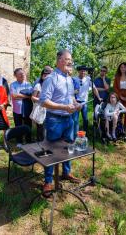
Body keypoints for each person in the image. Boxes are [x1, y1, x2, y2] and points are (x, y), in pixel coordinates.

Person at [39, 49, 81, 195]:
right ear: (59, 60)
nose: (71, 62)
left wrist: (76, 104)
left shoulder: (69, 78)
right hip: (54, 120)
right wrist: (64, 107)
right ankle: (48, 181)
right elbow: (43, 101)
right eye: (68, 59)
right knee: (50, 150)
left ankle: (66, 172)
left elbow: (70, 97)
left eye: (71, 59)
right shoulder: (51, 78)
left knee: (68, 147)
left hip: (68, 119)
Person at [72, 66, 101, 137]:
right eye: (81, 71)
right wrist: (74, 93)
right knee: (75, 120)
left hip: (85, 102)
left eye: (84, 71)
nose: (83, 72)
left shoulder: (88, 79)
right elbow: (70, 91)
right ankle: (75, 135)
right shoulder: (74, 79)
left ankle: (84, 134)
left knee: (85, 119)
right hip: (76, 102)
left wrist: (99, 97)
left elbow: (94, 88)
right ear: (78, 71)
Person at [10, 68, 33, 142]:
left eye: (23, 73)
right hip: (17, 110)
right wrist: (26, 95)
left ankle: (28, 140)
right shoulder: (13, 85)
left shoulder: (28, 84)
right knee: (18, 126)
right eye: (20, 74)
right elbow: (13, 96)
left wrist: (19, 95)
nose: (22, 75)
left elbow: (31, 95)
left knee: (28, 125)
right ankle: (19, 141)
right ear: (15, 75)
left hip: (27, 109)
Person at [31, 69, 51, 141]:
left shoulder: (51, 86)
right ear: (42, 76)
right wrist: (41, 100)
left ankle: (46, 144)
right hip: (40, 109)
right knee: (40, 128)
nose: (45, 77)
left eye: (47, 75)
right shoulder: (38, 85)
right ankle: (40, 144)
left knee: (47, 128)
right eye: (44, 75)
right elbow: (33, 98)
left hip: (49, 109)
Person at [113, 62, 126, 130]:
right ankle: (118, 127)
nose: (123, 68)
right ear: (119, 68)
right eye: (121, 67)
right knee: (119, 112)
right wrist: (120, 97)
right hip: (119, 97)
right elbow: (115, 87)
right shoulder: (117, 77)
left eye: (124, 67)